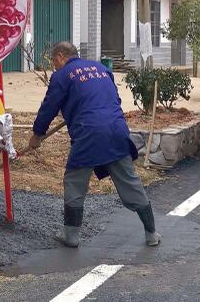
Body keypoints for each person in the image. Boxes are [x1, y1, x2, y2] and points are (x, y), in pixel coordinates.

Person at [29, 42, 161, 248]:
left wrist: (37, 134)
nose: (54, 66)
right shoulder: (102, 69)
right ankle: (152, 233)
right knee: (130, 182)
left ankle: (71, 236)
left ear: (61, 56)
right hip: (117, 130)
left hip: (88, 134)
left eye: (54, 61)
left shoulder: (62, 76)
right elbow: (114, 99)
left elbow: (49, 107)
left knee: (74, 181)